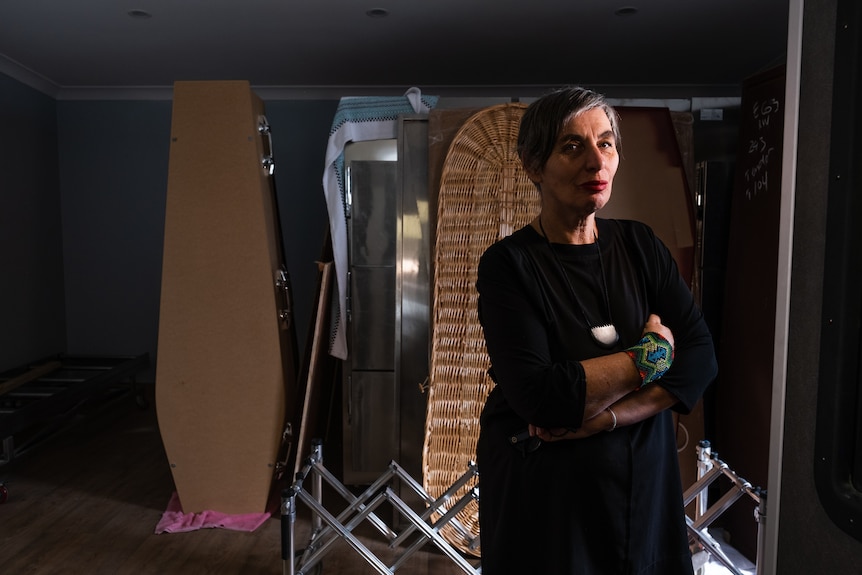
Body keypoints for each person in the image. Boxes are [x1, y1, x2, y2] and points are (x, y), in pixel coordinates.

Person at [475, 86, 718, 574]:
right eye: (572, 147)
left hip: (641, 488)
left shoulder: (640, 246)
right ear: (532, 165)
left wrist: (606, 417)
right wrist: (649, 357)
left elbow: (700, 355)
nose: (596, 161)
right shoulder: (509, 265)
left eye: (606, 143)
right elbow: (540, 396)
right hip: (546, 497)